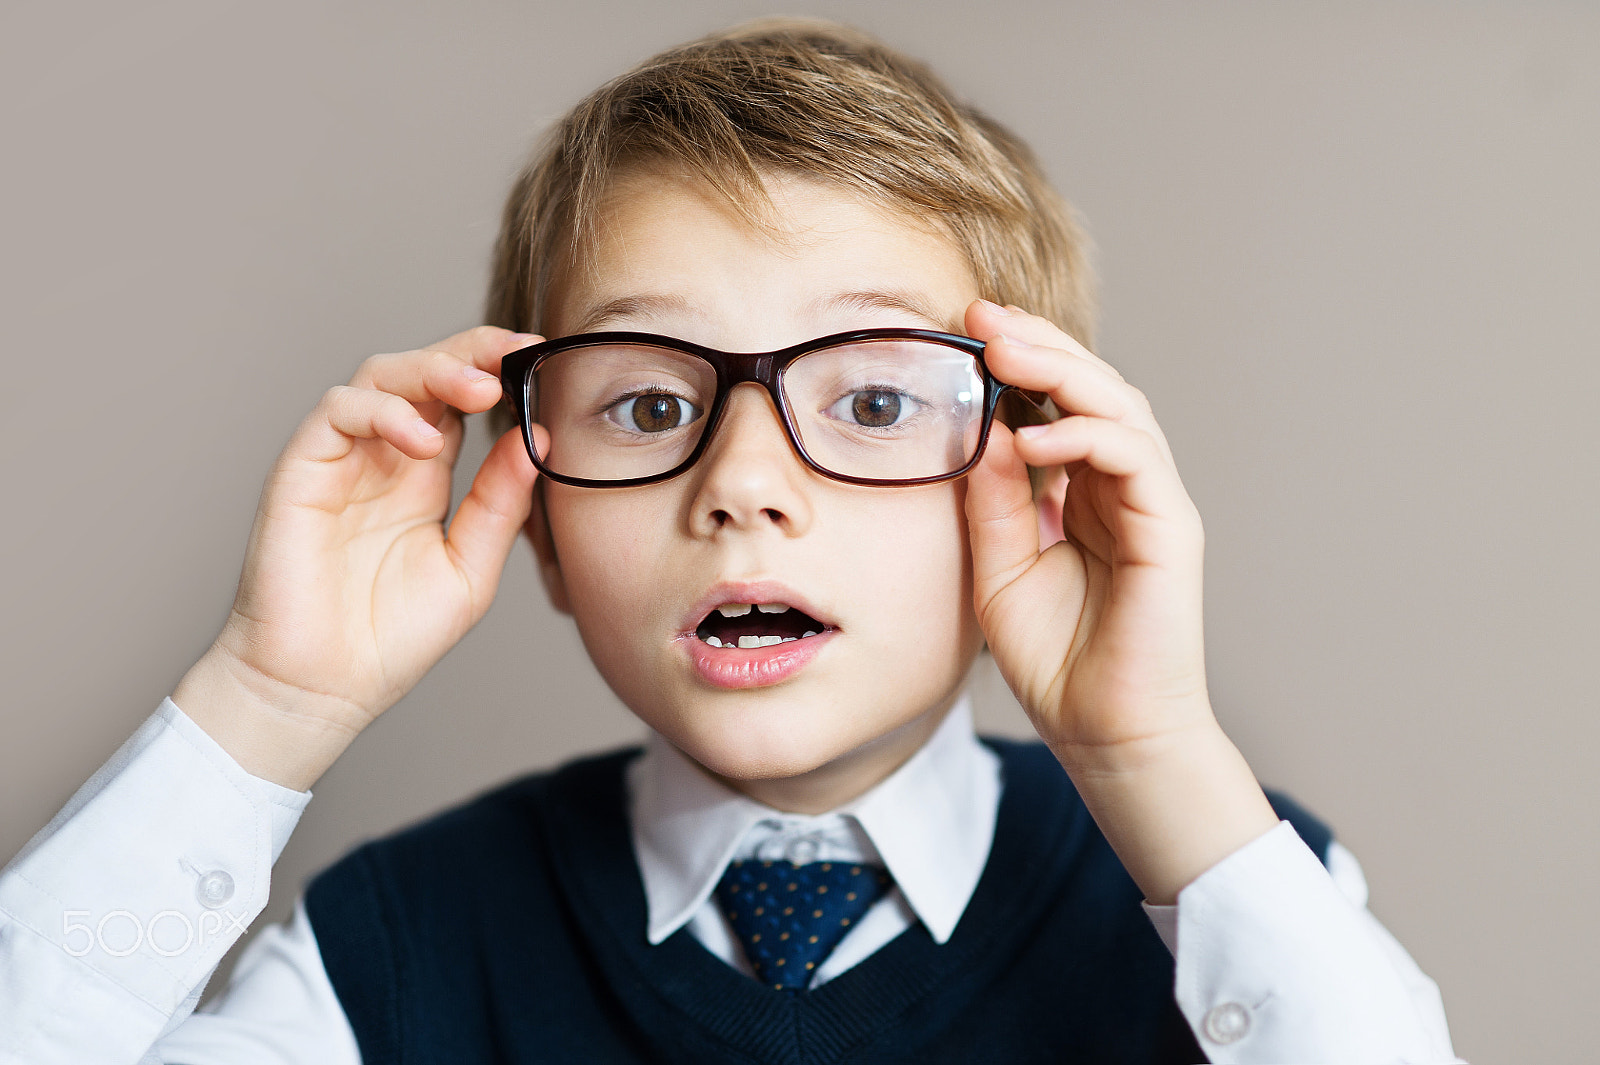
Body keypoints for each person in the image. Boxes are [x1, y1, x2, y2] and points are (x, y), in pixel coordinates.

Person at [0, 18, 1457, 1064]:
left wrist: (1154, 761)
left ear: (1042, 483)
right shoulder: (403, 946)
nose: (744, 483)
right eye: (648, 401)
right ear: (544, 527)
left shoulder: (1231, 888)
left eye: (876, 395)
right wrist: (267, 702)